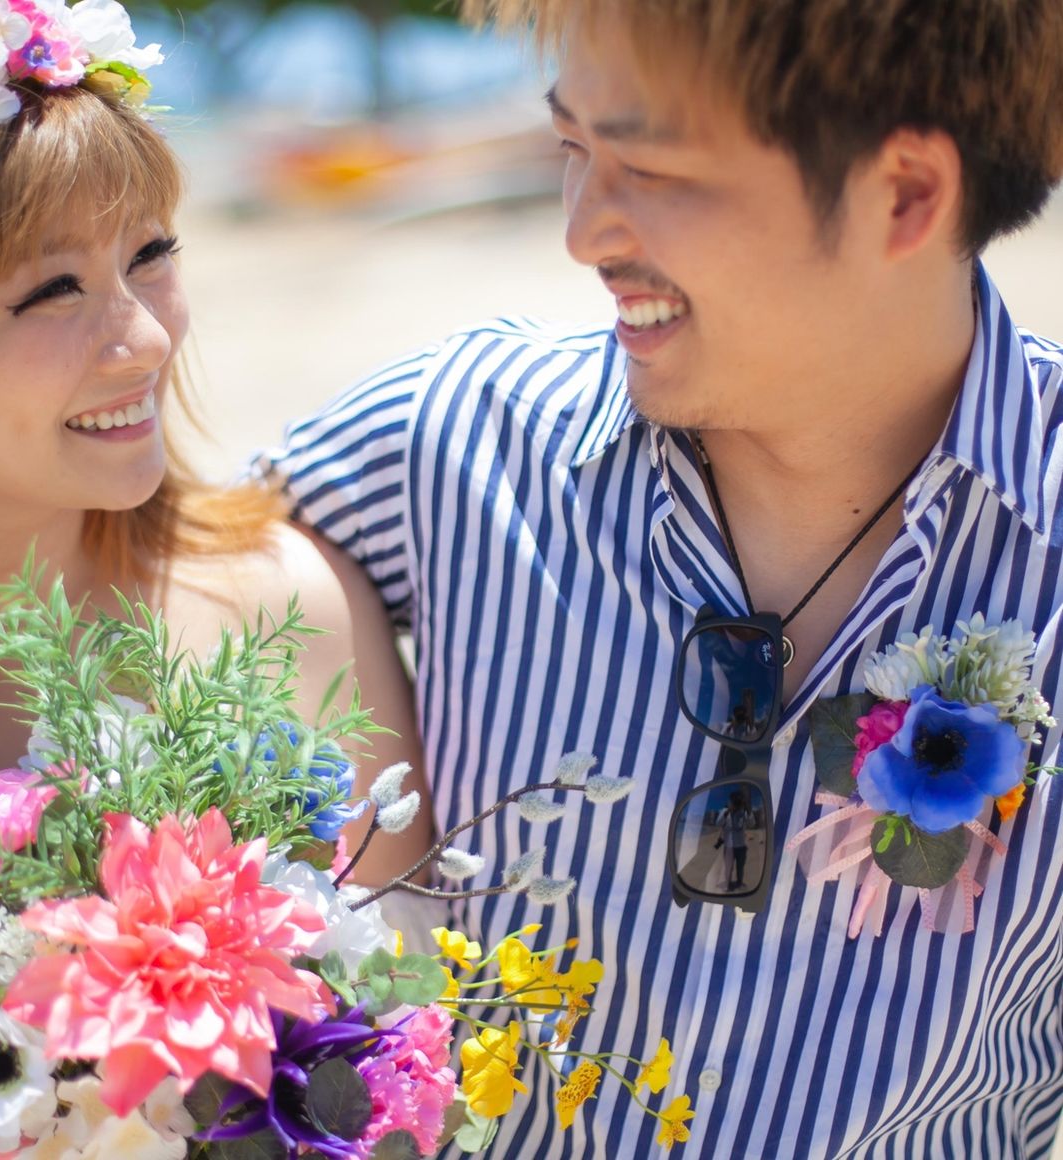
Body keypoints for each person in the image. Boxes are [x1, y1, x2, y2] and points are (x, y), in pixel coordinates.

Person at [255, 0, 1063, 1154]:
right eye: (570, 147)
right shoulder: (452, 438)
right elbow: (173, 549)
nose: (581, 231)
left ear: (902, 194)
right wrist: (380, 884)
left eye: (648, 168)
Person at [0, 2, 429, 888]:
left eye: (151, 253)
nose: (147, 340)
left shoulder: (283, 605)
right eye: (54, 290)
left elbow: (414, 961)